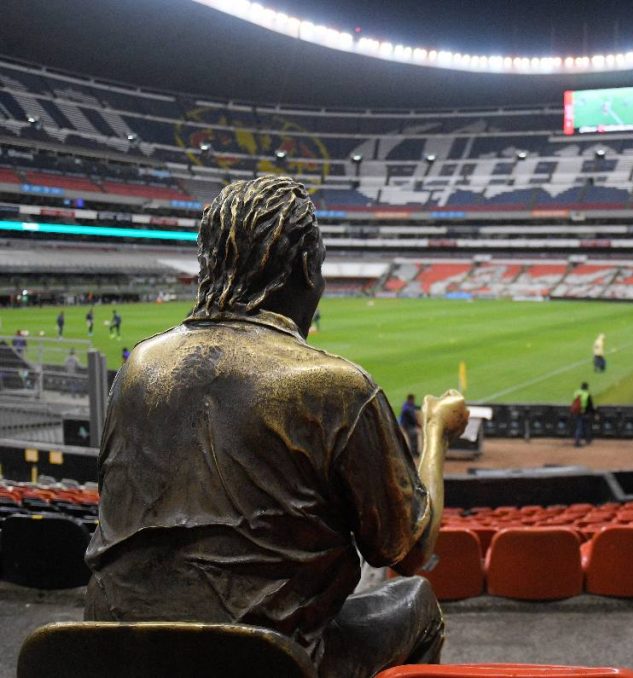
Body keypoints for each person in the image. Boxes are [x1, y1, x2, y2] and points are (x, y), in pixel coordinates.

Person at [83, 176, 469, 678]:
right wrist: (436, 431)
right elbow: (410, 549)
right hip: (265, 660)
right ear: (308, 267)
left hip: (114, 652)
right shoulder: (335, 388)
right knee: (417, 601)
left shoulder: (138, 369)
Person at [572, 381, 596, 447]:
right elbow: (590, 405)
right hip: (585, 412)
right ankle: (587, 440)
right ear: (586, 387)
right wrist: (594, 412)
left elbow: (574, 402)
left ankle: (577, 441)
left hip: (577, 412)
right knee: (586, 426)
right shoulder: (587, 394)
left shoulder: (576, 392)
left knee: (579, 427)